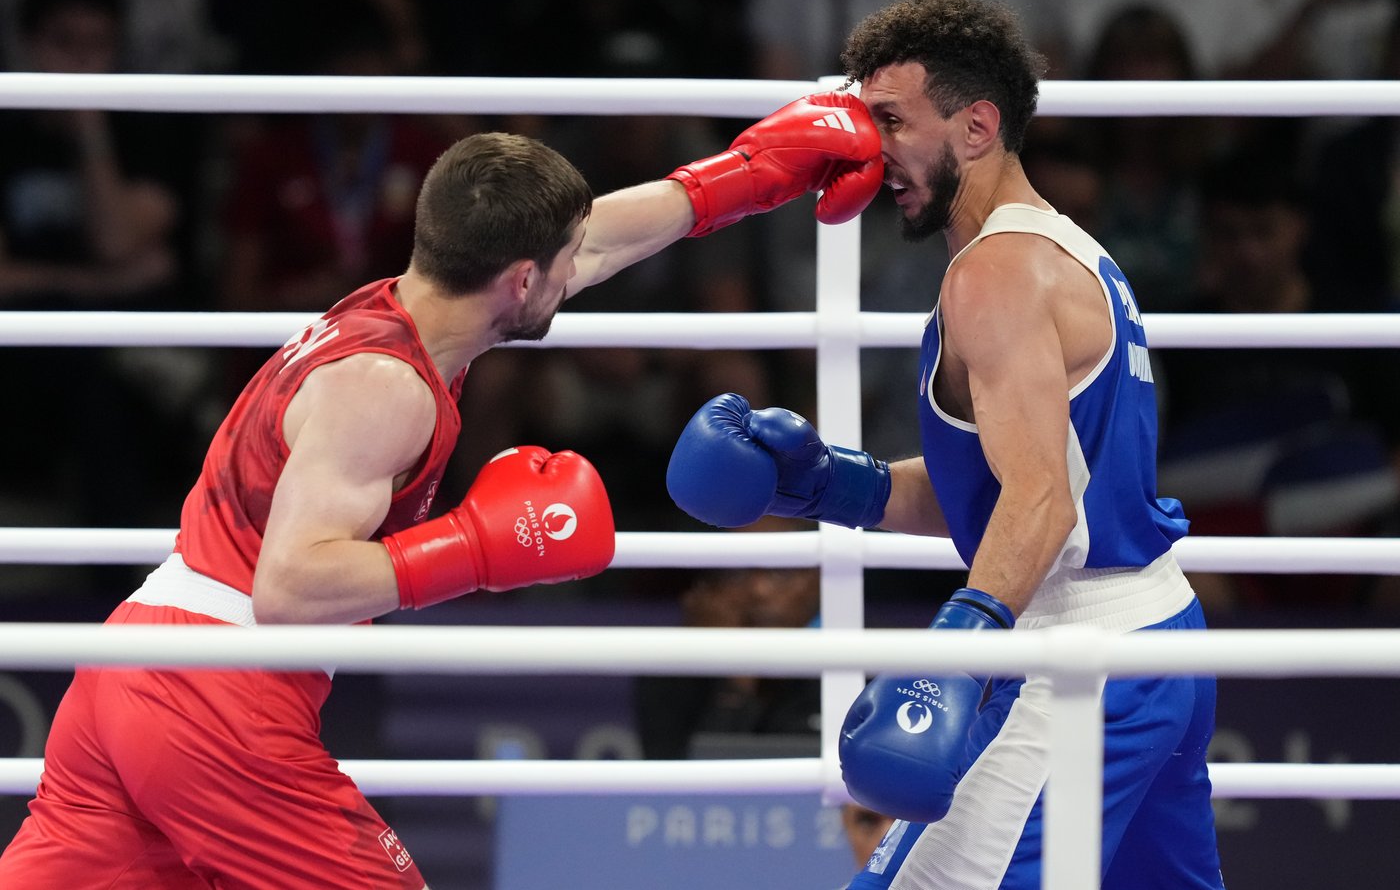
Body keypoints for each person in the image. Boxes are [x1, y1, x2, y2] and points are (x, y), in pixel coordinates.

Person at [0, 89, 885, 885]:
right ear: (521, 281)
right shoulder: (384, 389)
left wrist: (752, 173)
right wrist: (477, 548)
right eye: (562, 266)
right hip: (216, 689)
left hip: (139, 663)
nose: (579, 273)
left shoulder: (406, 303)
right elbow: (292, 586)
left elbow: (600, 236)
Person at [666, 0, 1224, 889]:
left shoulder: (996, 275)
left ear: (976, 127)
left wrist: (959, 651)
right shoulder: (1053, 247)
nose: (864, 148)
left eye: (889, 119)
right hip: (1151, 630)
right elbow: (1009, 482)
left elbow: (1043, 500)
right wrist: (829, 485)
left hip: (1073, 657)